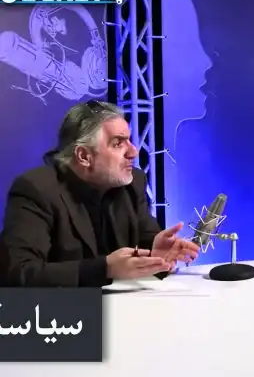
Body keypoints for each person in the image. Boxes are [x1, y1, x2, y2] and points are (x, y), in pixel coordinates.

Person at [0, 100, 200, 287]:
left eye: (129, 140)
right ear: (84, 156)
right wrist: (104, 269)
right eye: (118, 143)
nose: (133, 152)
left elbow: (147, 240)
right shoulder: (36, 189)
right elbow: (19, 272)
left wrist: (156, 256)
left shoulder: (133, 183)